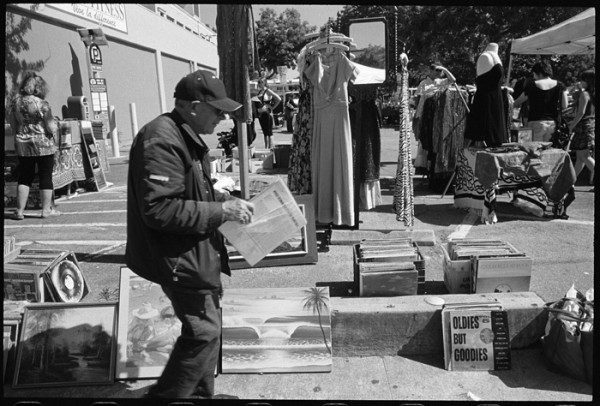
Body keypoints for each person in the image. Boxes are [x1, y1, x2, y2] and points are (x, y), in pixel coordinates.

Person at [126, 69, 255, 399]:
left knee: (206, 327)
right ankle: (167, 397)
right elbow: (159, 210)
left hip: (193, 255)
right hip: (179, 259)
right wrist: (220, 212)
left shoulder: (182, 136)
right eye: (218, 111)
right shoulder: (162, 139)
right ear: (195, 106)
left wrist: (225, 200)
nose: (223, 118)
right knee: (204, 331)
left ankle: (197, 395)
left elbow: (191, 193)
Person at [8, 71, 60, 220]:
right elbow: (51, 127)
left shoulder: (15, 103)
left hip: (24, 144)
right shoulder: (42, 104)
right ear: (39, 87)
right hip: (43, 144)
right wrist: (55, 125)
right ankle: (45, 210)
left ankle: (19, 211)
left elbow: (13, 124)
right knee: (45, 176)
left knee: (25, 177)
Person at [513, 60, 568, 142]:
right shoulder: (560, 85)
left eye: (534, 74)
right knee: (548, 151)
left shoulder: (533, 85)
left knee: (536, 151)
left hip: (536, 121)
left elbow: (517, 102)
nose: (534, 77)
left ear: (538, 73)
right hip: (552, 122)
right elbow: (564, 105)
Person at [567, 70, 595, 185]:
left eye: (582, 80)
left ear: (587, 81)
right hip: (591, 124)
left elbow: (581, 113)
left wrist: (571, 125)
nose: (580, 82)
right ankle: (570, 181)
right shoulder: (593, 94)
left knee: (584, 156)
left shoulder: (585, 94)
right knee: (580, 157)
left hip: (583, 126)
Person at [255, 78, 281, 149]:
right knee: (264, 131)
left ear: (264, 83)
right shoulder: (259, 92)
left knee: (269, 131)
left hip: (267, 113)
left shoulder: (268, 91)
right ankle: (266, 147)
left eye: (261, 82)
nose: (259, 83)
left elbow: (278, 99)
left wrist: (272, 107)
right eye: (259, 82)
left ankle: (270, 147)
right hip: (261, 114)